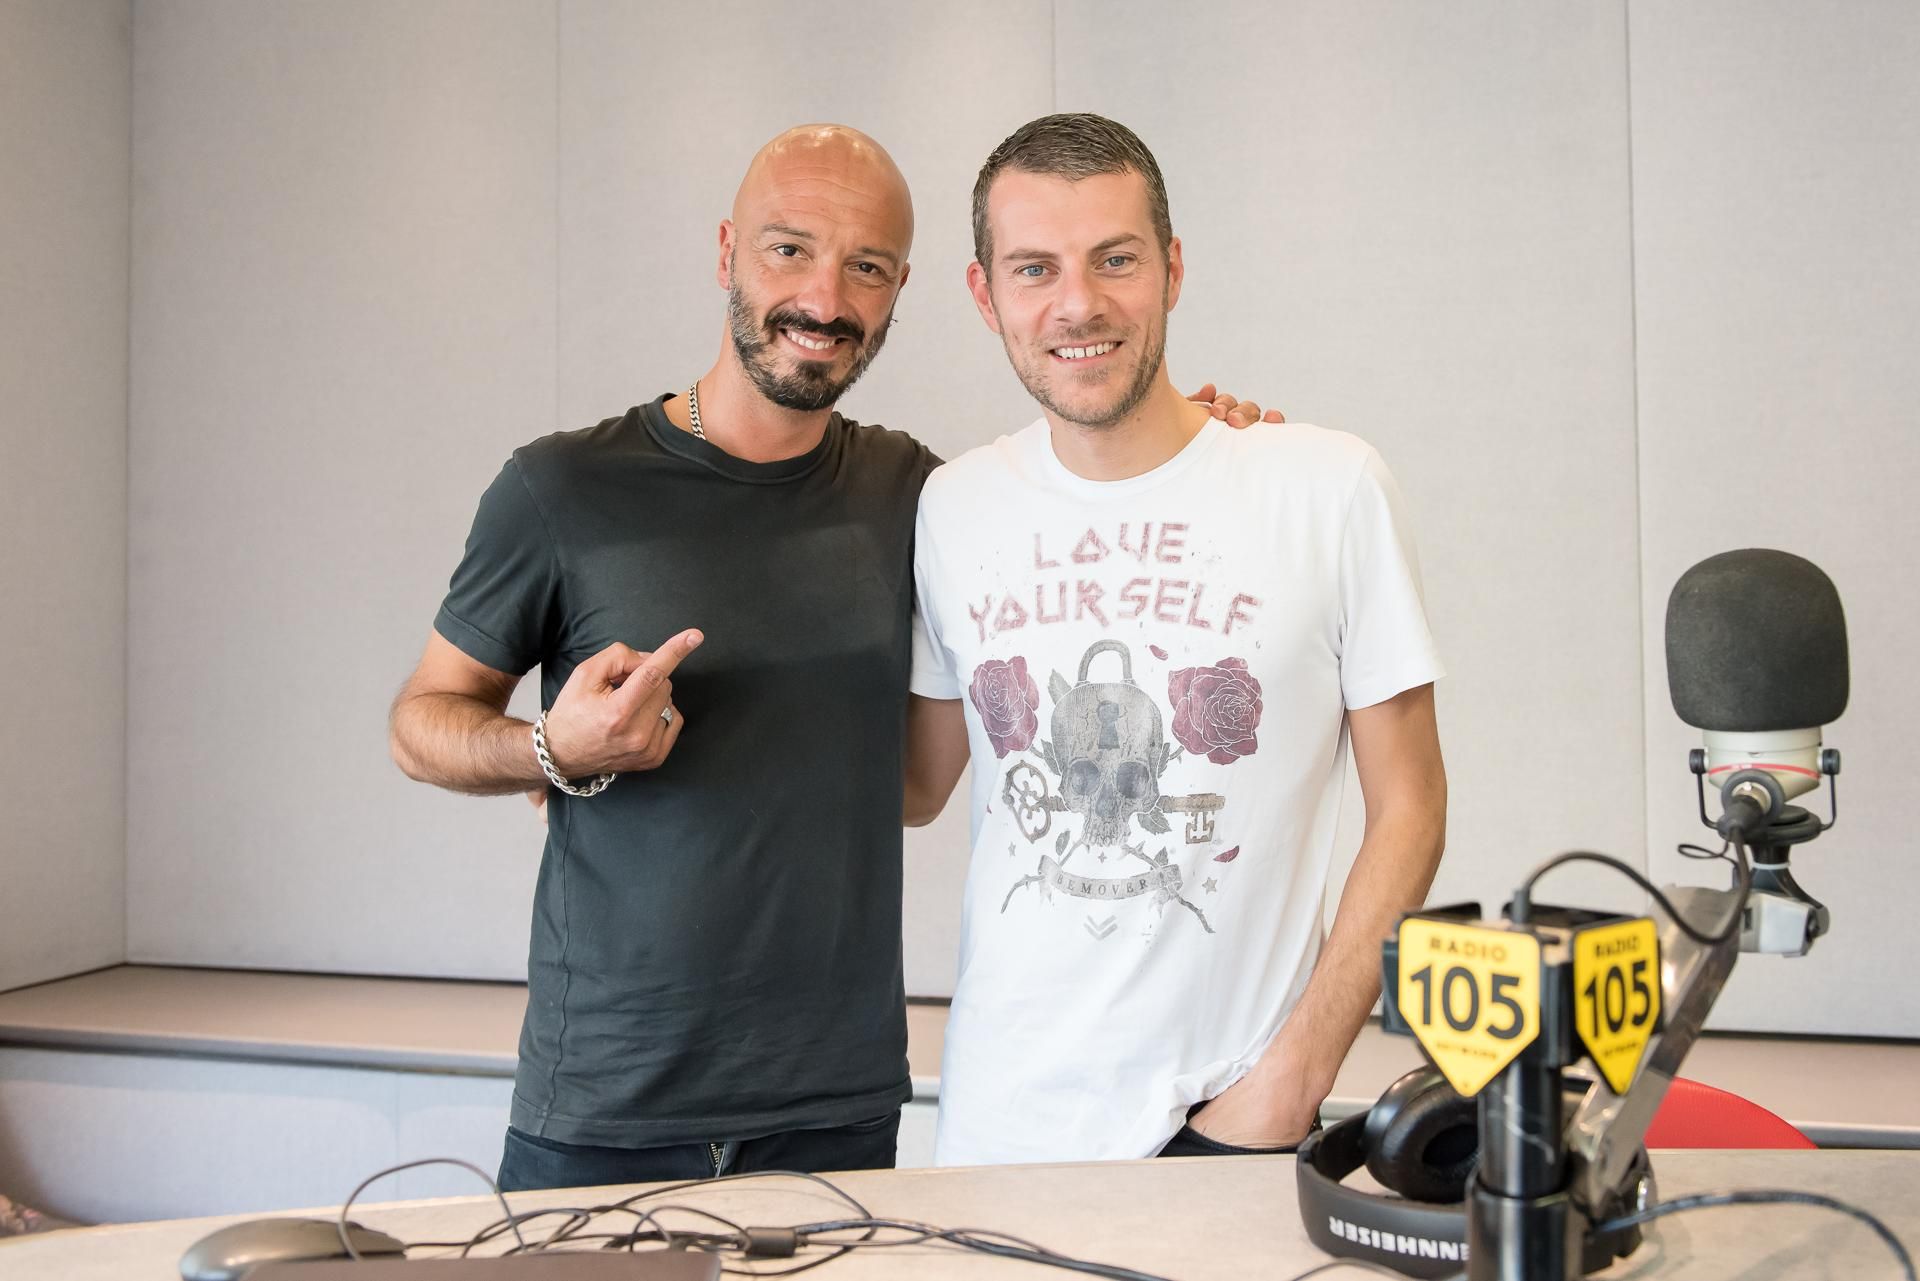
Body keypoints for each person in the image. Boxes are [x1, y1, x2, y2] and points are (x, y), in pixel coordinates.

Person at [388, 122, 1280, 1190]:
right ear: (728, 252)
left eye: (867, 267)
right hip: (604, 1107)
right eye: (789, 250)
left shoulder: (924, 501)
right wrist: (550, 747)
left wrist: (1201, 447)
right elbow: (422, 722)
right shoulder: (560, 488)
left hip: (838, 1116)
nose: (824, 297)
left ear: (902, 290)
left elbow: (915, 787)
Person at [902, 114, 1448, 1166]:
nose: (1078, 304)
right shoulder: (952, 506)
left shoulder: (1326, 487)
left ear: (1173, 268)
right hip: (995, 1130)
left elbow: (1412, 804)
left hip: (1226, 1123)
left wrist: (1293, 1079)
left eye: (1115, 259)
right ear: (984, 294)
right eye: (1034, 269)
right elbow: (914, 784)